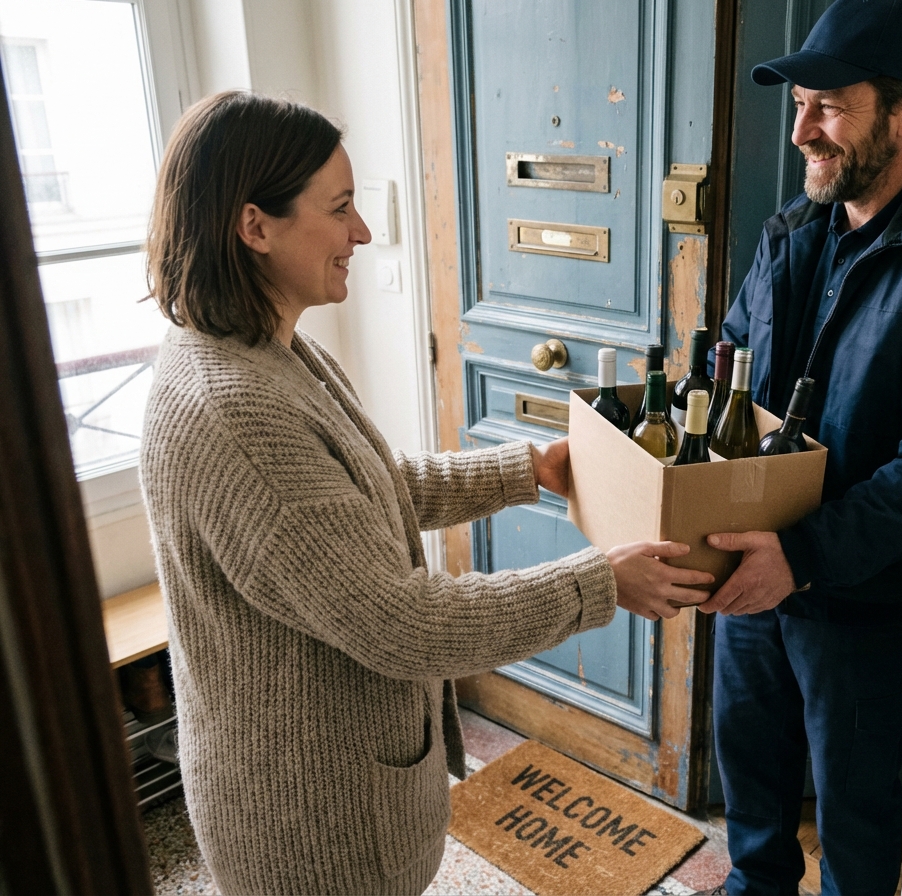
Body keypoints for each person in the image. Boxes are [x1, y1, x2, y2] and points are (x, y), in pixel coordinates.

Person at [139, 90, 712, 896]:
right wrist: (597, 584)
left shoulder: (262, 352)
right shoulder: (235, 410)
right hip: (313, 830)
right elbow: (400, 624)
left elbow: (362, 494)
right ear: (254, 225)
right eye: (339, 209)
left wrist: (523, 470)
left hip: (334, 792)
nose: (363, 233)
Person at [696, 1, 902, 893]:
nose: (801, 132)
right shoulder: (791, 229)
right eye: (797, 106)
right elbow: (727, 372)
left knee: (855, 841)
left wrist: (804, 554)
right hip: (750, 575)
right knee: (752, 818)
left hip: (857, 601)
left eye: (827, 106)